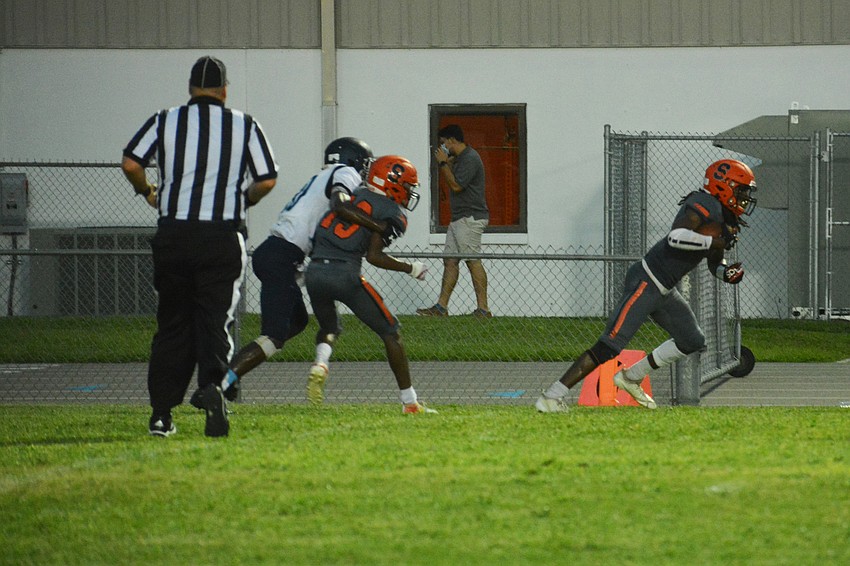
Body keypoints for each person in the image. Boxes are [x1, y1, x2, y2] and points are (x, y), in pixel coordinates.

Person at [121, 56, 279, 437]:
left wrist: (148, 192)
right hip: (220, 235)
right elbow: (267, 178)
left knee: (173, 323)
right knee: (214, 322)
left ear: (190, 89)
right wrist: (244, 200)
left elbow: (130, 162)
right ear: (224, 91)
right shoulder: (244, 124)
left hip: (174, 234)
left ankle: (161, 414)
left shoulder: (166, 119)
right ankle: (214, 395)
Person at [536, 159, 758, 412]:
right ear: (724, 186)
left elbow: (713, 263)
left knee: (692, 340)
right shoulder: (703, 203)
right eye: (741, 191)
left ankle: (630, 377)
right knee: (609, 346)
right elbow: (676, 237)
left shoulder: (725, 218)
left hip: (664, 289)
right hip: (647, 280)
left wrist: (725, 272)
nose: (744, 198)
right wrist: (714, 243)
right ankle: (552, 396)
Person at [189, 137, 388, 405]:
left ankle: (230, 375)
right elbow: (340, 205)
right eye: (364, 164)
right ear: (353, 160)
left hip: (279, 253)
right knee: (274, 335)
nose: (365, 171)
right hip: (282, 255)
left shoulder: (323, 175)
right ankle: (216, 387)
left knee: (297, 322)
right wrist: (377, 225)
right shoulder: (345, 172)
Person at [305, 154, 436, 414]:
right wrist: (410, 268)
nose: (409, 192)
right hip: (345, 274)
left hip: (315, 271)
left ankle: (320, 363)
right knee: (391, 332)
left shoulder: (355, 194)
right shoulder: (391, 212)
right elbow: (374, 256)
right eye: (408, 186)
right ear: (392, 182)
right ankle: (410, 402)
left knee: (330, 325)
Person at [417, 124, 491, 318]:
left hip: (470, 217)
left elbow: (457, 186)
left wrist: (442, 164)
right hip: (458, 218)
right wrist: (448, 163)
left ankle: (483, 309)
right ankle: (441, 307)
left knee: (472, 260)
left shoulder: (470, 158)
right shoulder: (458, 159)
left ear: (451, 140)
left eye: (444, 143)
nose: (443, 148)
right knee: (450, 261)